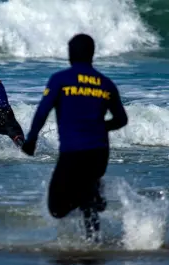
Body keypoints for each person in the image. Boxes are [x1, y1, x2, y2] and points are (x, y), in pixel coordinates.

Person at [21, 33, 128, 242]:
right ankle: (93, 240)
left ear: (70, 54)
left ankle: (90, 199)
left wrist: (31, 140)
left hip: (73, 152)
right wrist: (100, 127)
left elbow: (42, 112)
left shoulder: (60, 79)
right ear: (92, 54)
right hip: (99, 153)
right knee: (87, 195)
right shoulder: (106, 84)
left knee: (57, 209)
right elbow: (121, 119)